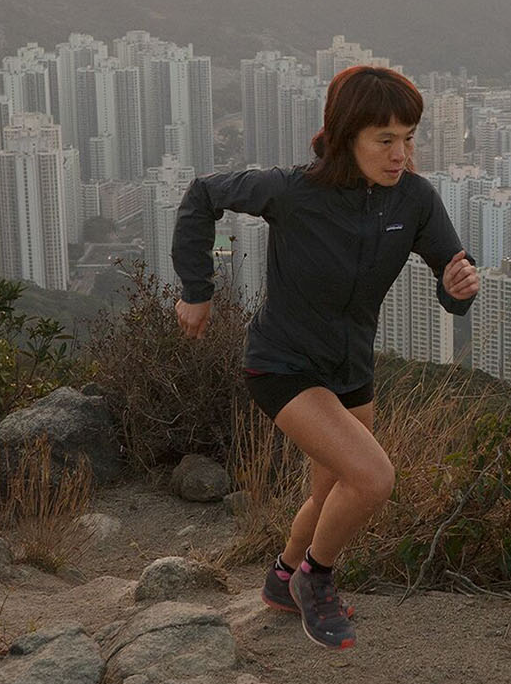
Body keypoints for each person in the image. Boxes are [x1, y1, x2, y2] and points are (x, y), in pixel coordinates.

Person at [170, 65, 480, 650]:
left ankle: (284, 578)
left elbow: (449, 269)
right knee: (372, 477)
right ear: (345, 135)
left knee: (330, 491)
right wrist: (197, 288)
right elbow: (204, 195)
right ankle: (318, 577)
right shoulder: (292, 189)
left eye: (408, 137)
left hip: (352, 370)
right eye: (384, 140)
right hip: (283, 364)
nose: (400, 154)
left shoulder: (413, 198)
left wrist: (457, 286)